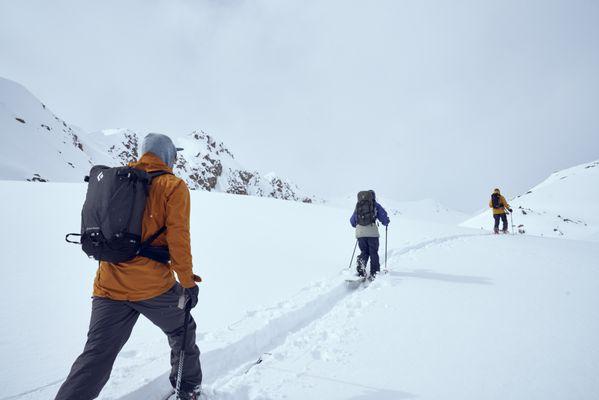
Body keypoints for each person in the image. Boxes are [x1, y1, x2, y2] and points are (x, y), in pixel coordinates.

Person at [55, 133, 202, 400]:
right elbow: (179, 240)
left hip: (108, 286)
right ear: (168, 156)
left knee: (96, 354)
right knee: (183, 328)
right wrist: (188, 284)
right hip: (152, 287)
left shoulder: (117, 179)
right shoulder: (172, 186)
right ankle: (189, 389)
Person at [350, 190, 390, 278]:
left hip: (360, 233)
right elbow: (383, 217)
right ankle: (374, 273)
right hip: (372, 233)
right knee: (373, 252)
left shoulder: (359, 205)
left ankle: (361, 267)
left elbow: (352, 222)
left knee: (364, 251)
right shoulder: (375, 205)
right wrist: (386, 222)